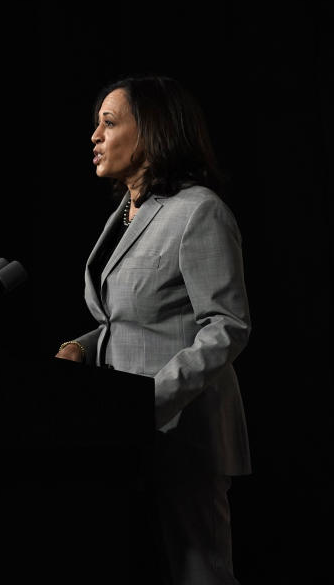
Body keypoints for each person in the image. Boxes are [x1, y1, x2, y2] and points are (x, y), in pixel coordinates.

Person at [56, 76, 251, 584]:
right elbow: (132, 317)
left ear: (152, 132)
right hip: (121, 438)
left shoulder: (199, 211)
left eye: (109, 122)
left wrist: (150, 401)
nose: (94, 136)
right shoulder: (124, 214)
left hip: (183, 437)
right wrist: (84, 345)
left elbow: (225, 327)